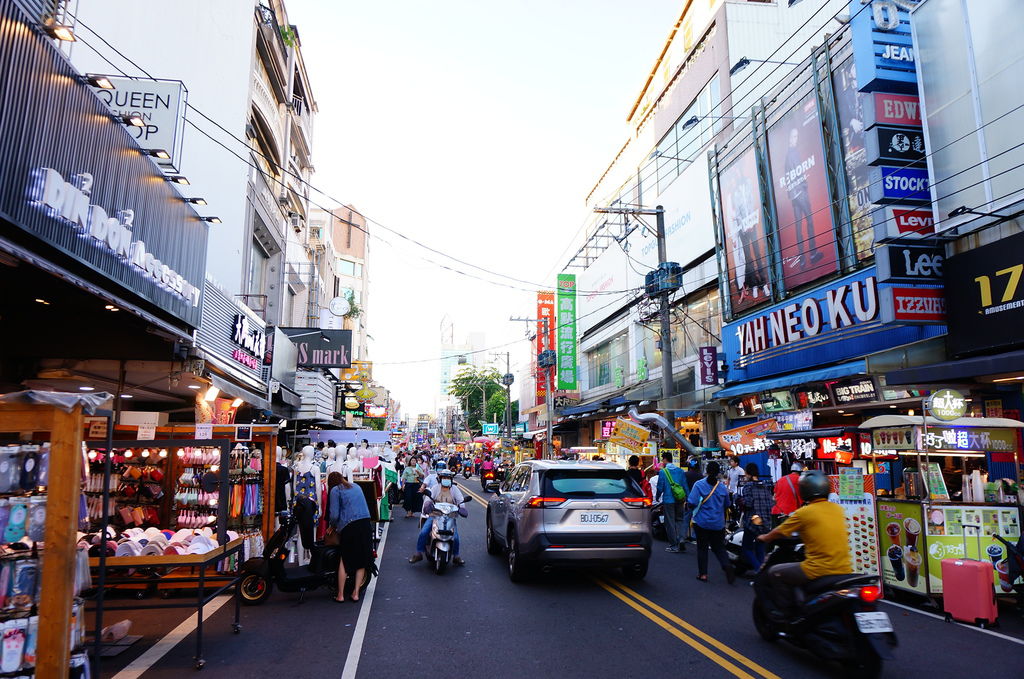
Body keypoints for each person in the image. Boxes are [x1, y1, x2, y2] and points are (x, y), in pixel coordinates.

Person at [758, 470, 852, 618]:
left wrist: (765, 537)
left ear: (804, 490)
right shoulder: (838, 510)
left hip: (817, 569)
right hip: (844, 568)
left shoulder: (804, 513)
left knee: (775, 572)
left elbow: (780, 531)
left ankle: (786, 614)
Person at [326, 471, 373, 603]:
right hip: (365, 523)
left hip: (349, 526)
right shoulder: (356, 486)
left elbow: (334, 515)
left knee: (345, 559)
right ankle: (356, 593)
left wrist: (332, 526)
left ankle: (340, 595)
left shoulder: (335, 490)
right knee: (361, 560)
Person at [687, 461, 734, 583]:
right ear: (719, 472)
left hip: (701, 522)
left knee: (702, 548)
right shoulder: (722, 487)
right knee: (719, 547)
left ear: (706, 471)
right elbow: (727, 504)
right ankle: (726, 565)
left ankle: (703, 574)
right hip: (718, 523)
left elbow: (691, 502)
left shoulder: (699, 485)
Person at [409, 470, 468, 565]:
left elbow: (460, 500)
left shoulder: (455, 489)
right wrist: (428, 506)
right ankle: (419, 553)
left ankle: (456, 556)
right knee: (424, 532)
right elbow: (428, 499)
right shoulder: (435, 488)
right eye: (444, 478)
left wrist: (462, 508)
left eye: (448, 478)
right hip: (435, 516)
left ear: (451, 479)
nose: (446, 480)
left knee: (455, 537)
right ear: (440, 479)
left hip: (450, 517)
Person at [738, 463, 774, 571]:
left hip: (753, 519)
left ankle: (758, 570)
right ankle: (762, 573)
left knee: (747, 548)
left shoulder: (748, 487)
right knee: (760, 547)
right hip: (765, 519)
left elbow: (748, 503)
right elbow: (771, 503)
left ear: (748, 473)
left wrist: (739, 499)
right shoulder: (765, 485)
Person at [655, 451, 689, 553]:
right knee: (680, 519)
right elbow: (685, 485)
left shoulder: (663, 472)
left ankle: (674, 546)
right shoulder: (680, 471)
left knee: (670, 522)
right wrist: (688, 498)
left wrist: (657, 497)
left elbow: (660, 487)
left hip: (668, 500)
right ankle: (681, 538)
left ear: (665, 460)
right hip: (680, 499)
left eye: (662, 460)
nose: (662, 462)